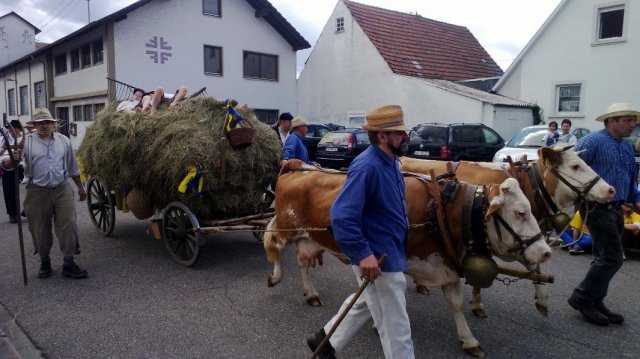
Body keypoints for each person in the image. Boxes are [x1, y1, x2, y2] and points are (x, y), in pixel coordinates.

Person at [306, 105, 414, 358]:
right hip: (378, 259)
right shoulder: (367, 167)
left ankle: (325, 341)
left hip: (389, 253)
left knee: (367, 302)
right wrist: (364, 254)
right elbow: (342, 216)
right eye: (398, 133)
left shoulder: (391, 162)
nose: (404, 137)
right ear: (382, 136)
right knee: (396, 326)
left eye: (403, 132)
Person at [567, 103, 640, 326]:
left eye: (634, 120)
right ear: (611, 121)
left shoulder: (627, 148)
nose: (634, 124)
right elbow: (572, 170)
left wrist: (635, 201)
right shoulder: (592, 141)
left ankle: (596, 300)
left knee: (603, 256)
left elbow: (629, 179)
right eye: (627, 119)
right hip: (595, 207)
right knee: (613, 257)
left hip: (617, 208)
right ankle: (582, 298)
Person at [22, 108, 88, 279]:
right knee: (40, 229)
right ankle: (45, 261)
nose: (44, 125)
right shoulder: (26, 142)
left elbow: (73, 168)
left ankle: (68, 262)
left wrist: (80, 188)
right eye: (40, 123)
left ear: (53, 125)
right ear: (34, 126)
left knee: (69, 224)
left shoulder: (64, 141)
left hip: (61, 188)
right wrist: (10, 160)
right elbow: (11, 163)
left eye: (47, 122)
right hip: (37, 191)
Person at [0, 119, 25, 223]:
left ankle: (26, 210)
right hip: (8, 166)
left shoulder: (24, 138)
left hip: (22, 165)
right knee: (9, 191)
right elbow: (0, 152)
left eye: (13, 129)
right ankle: (12, 214)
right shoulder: (4, 138)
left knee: (33, 187)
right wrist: (6, 147)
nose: (11, 131)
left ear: (18, 129)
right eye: (10, 129)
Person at [116, 86, 188, 114]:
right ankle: (148, 110)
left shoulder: (148, 96)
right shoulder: (139, 101)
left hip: (164, 101)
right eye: (136, 95)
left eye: (139, 96)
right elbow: (121, 110)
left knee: (184, 88)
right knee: (159, 89)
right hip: (151, 104)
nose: (137, 97)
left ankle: (173, 104)